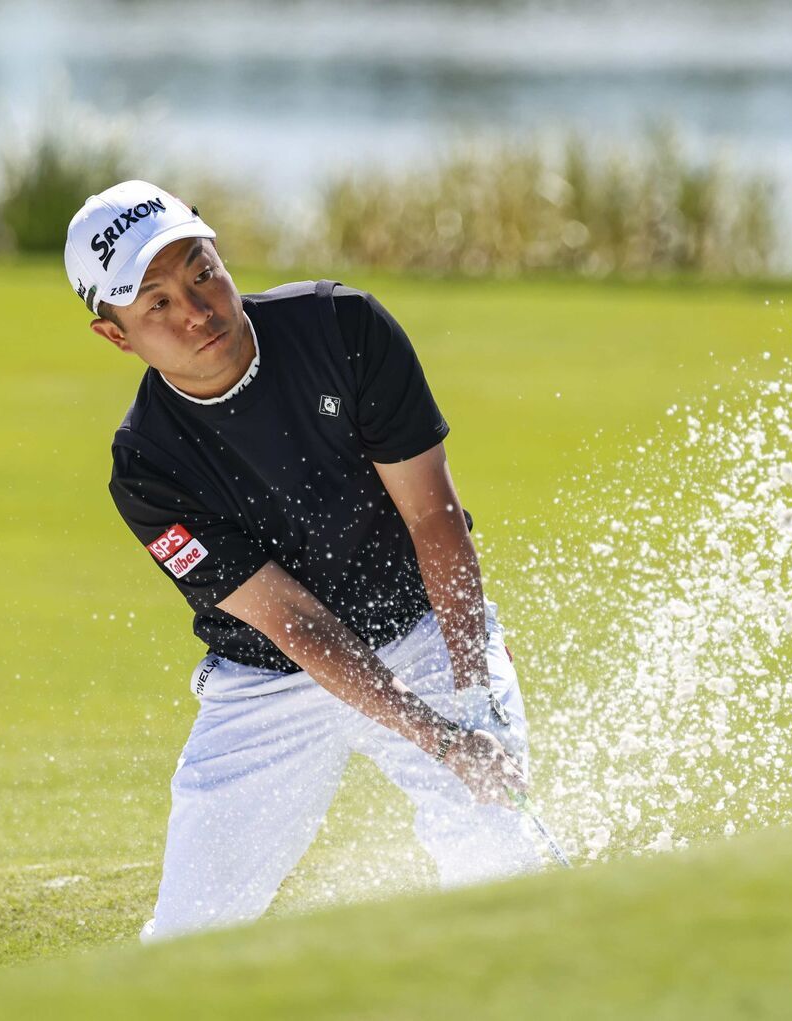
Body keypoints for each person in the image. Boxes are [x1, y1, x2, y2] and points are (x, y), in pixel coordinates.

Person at [63, 180, 541, 941]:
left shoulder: (341, 328)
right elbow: (292, 623)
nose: (196, 310)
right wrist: (445, 739)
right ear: (116, 335)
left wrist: (473, 696)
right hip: (266, 681)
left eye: (200, 271)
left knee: (503, 865)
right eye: (154, 303)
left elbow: (436, 520)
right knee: (190, 938)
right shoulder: (147, 468)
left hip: (421, 629)